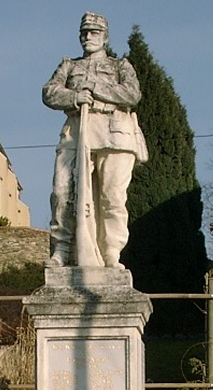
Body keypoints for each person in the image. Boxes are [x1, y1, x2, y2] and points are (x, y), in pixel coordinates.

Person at [43, 11, 147, 269]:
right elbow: (49, 92)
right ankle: (62, 249)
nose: (88, 37)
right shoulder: (69, 65)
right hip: (78, 130)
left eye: (94, 32)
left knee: (112, 196)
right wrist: (75, 97)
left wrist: (94, 87)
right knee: (62, 192)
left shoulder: (119, 66)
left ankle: (111, 251)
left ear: (105, 36)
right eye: (84, 33)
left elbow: (132, 94)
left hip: (114, 133)